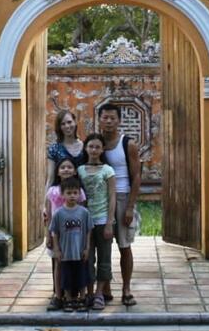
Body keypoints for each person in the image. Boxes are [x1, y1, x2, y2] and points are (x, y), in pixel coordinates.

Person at [98, 103, 141, 306]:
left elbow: (137, 175)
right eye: (105, 117)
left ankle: (126, 288)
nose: (108, 121)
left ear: (119, 120)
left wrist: (131, 207)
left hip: (122, 197)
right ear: (99, 120)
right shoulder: (95, 144)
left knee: (124, 246)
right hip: (101, 200)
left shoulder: (128, 144)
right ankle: (104, 288)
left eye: (112, 118)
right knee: (101, 246)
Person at [77, 133, 116, 311]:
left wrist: (109, 222)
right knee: (87, 258)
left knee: (104, 258)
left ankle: (100, 293)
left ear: (102, 150)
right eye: (91, 146)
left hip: (102, 220)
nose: (94, 150)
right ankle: (89, 293)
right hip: (85, 222)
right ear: (86, 148)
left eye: (97, 147)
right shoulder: (80, 170)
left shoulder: (108, 170)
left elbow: (112, 196)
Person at [43, 156, 85, 311]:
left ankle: (76, 296)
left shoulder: (78, 191)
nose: (66, 169)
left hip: (74, 233)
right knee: (58, 264)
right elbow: (48, 213)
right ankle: (58, 296)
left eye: (69, 167)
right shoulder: (52, 191)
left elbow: (83, 212)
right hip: (57, 234)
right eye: (62, 167)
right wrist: (48, 235)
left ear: (75, 171)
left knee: (76, 264)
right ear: (58, 172)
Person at [48, 176, 92, 312]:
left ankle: (82, 299)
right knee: (66, 277)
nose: (72, 196)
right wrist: (56, 249)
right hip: (65, 253)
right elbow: (54, 232)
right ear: (62, 194)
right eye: (69, 193)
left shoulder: (84, 213)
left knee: (82, 277)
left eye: (75, 193)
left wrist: (87, 247)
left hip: (80, 252)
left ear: (79, 194)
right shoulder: (58, 214)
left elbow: (89, 230)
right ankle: (68, 300)